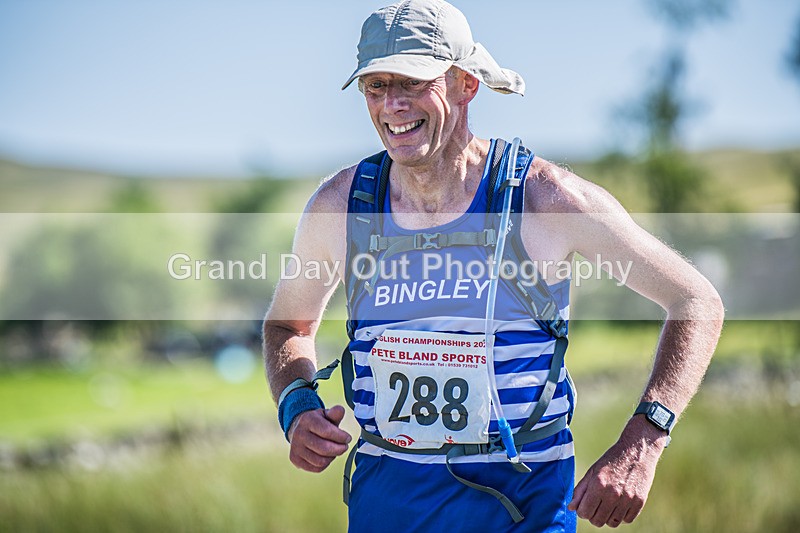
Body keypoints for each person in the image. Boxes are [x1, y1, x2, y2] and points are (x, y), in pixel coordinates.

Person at [263, 1, 724, 531]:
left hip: (522, 508)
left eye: (413, 83)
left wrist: (644, 440)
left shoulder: (544, 199)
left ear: (465, 83)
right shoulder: (343, 206)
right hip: (387, 503)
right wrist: (295, 405)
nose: (392, 105)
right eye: (376, 86)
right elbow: (287, 326)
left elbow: (696, 301)